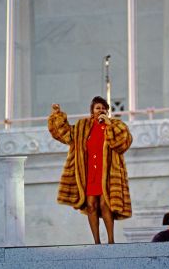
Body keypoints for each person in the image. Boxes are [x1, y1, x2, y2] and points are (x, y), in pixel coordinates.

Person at [48, 96, 133, 244]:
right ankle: (97, 242)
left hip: (107, 173)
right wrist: (57, 116)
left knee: (104, 204)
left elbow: (122, 143)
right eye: (97, 108)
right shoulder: (82, 126)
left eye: (103, 108)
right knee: (91, 206)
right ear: (92, 111)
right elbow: (66, 134)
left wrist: (108, 126)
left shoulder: (116, 125)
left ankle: (111, 241)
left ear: (107, 111)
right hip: (89, 173)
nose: (101, 110)